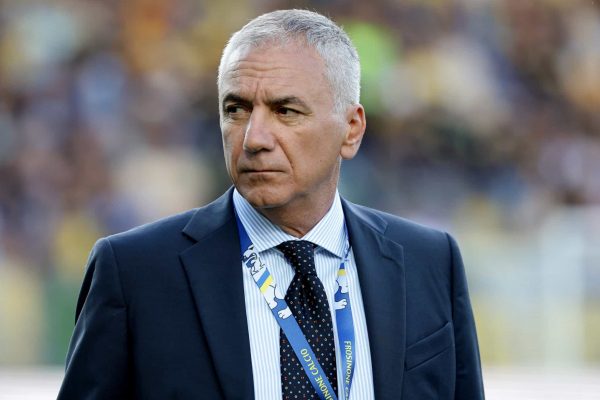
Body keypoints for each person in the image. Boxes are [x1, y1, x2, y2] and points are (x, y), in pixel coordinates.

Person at [58, 9, 484, 400]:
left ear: (351, 130)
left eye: (286, 111)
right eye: (237, 109)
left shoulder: (429, 262)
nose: (254, 138)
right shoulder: (136, 272)